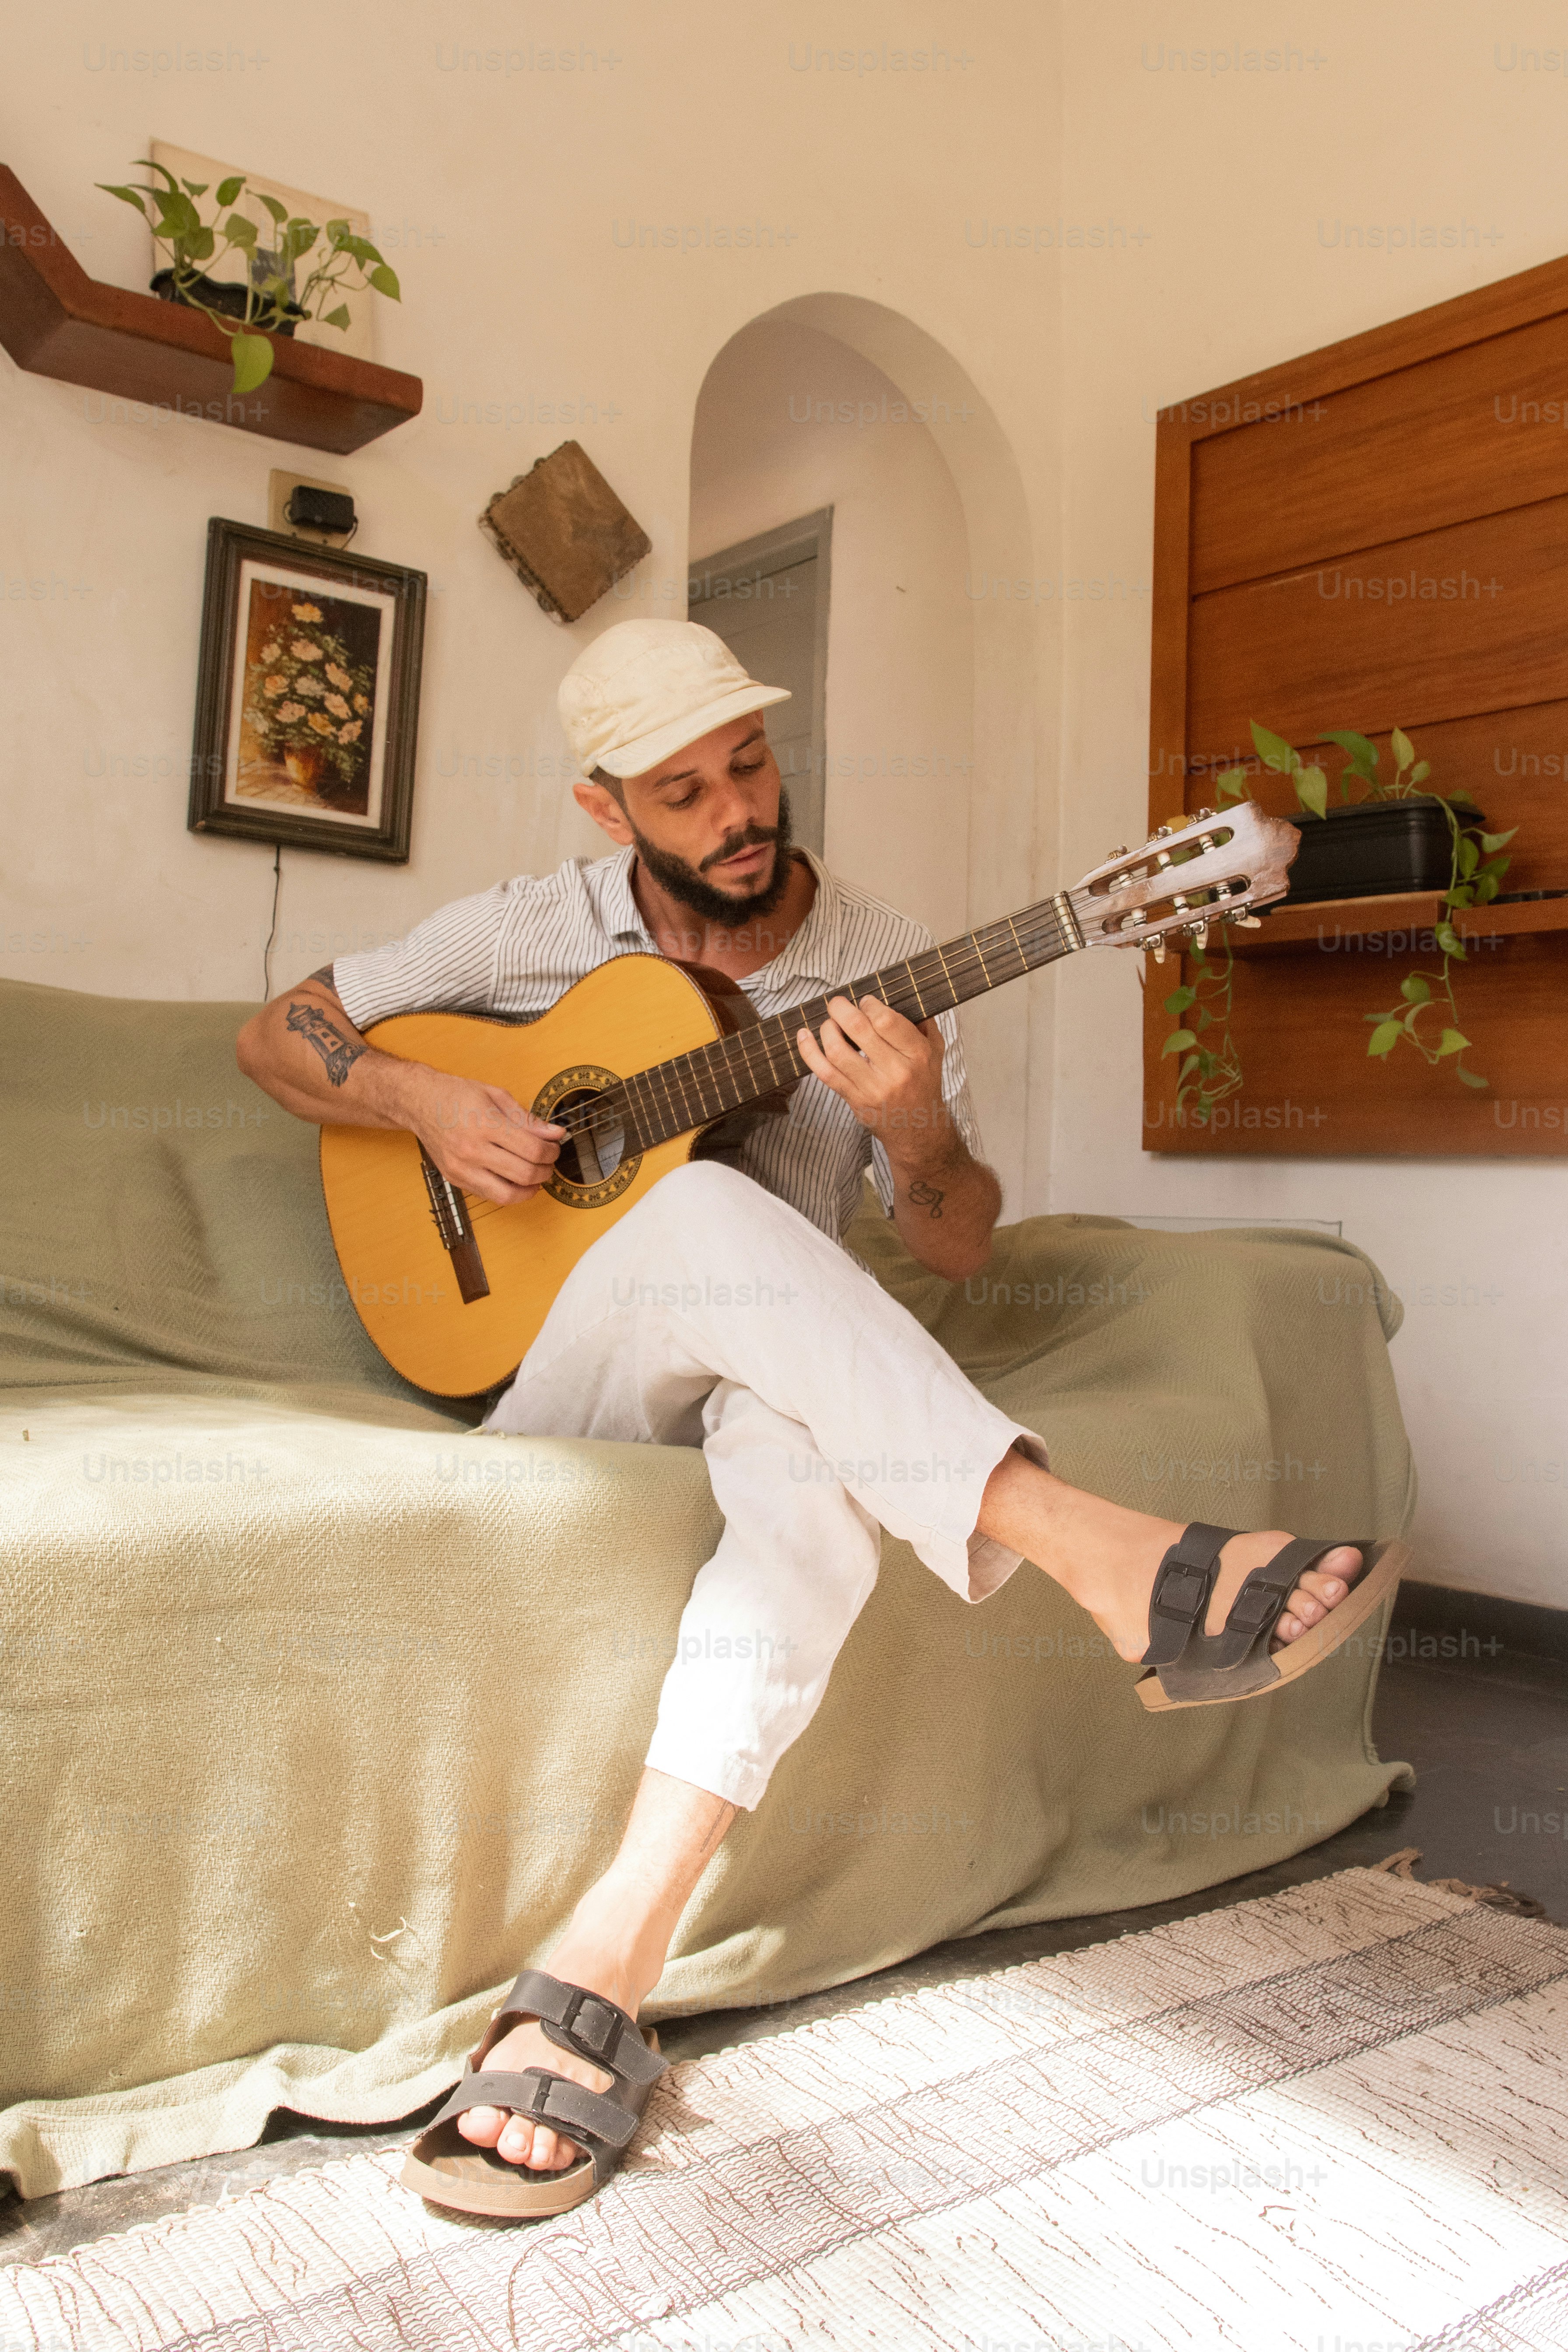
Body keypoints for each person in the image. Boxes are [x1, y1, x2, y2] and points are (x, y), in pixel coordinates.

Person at [236, 618, 1372, 2215]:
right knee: (703, 1217)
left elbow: (955, 1245)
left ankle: (606, 1960)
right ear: (606, 808)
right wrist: (418, 1097)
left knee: (808, 1457)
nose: (737, 814)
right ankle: (1105, 1551)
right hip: (556, 1377)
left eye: (751, 766)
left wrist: (914, 1131)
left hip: (776, 1389)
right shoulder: (528, 927)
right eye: (684, 792)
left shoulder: (887, 951)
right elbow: (276, 1033)